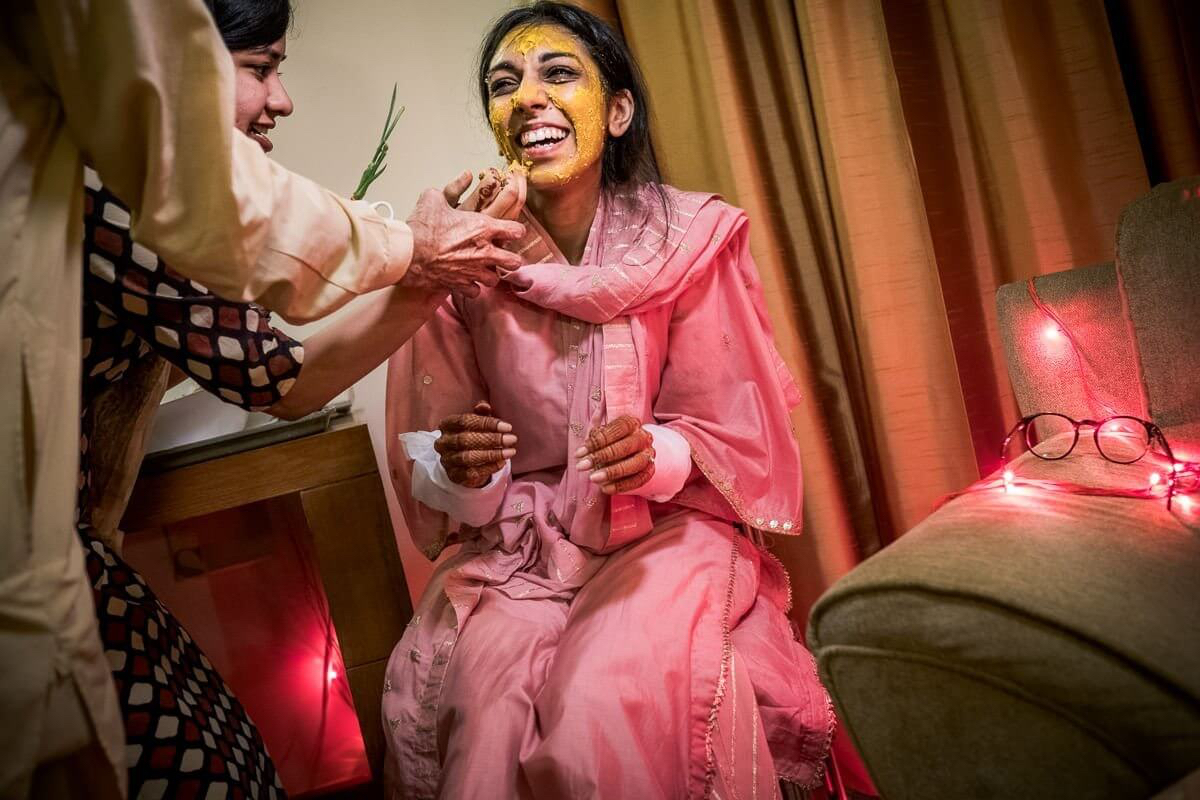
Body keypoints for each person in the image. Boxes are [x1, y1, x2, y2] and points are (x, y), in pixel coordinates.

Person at [1, 1, 524, 796]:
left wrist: (424, 268)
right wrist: (421, 262)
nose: (283, 100)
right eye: (260, 69)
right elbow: (279, 378)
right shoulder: (122, 185)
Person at [382, 3, 837, 798]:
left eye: (558, 73)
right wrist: (463, 462)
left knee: (602, 706)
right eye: (504, 84)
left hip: (665, 533)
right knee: (485, 710)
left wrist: (654, 454)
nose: (527, 98)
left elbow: (730, 426)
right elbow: (437, 447)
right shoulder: (465, 255)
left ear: (618, 111)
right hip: (521, 547)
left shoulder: (687, 241)